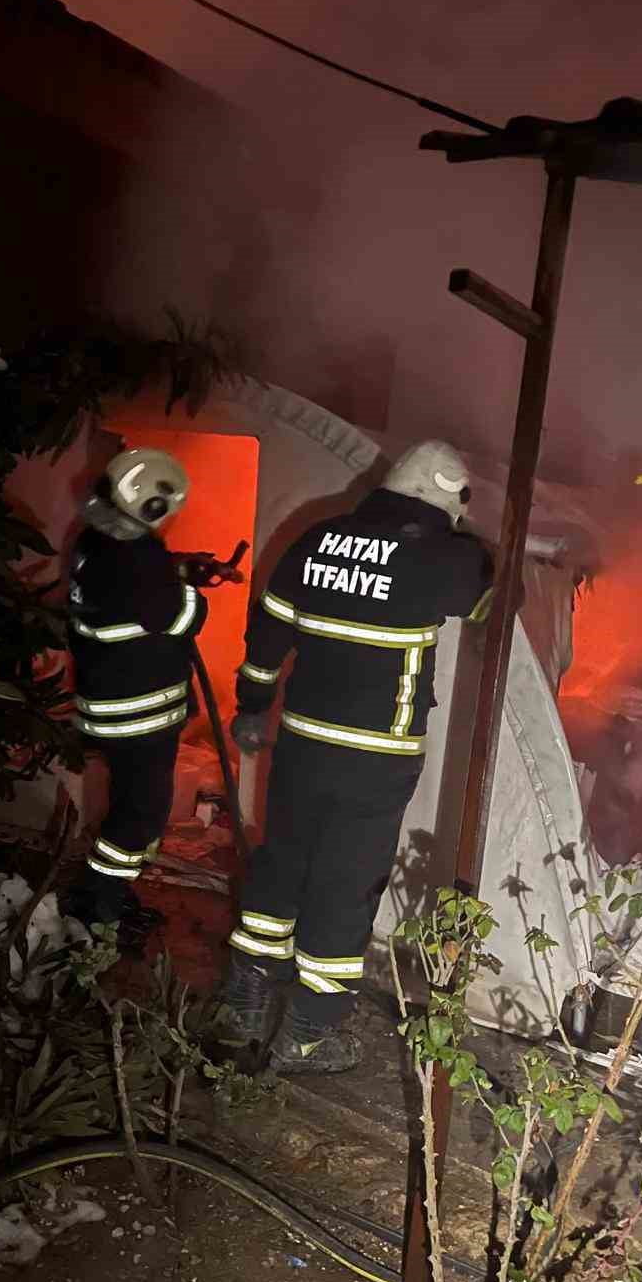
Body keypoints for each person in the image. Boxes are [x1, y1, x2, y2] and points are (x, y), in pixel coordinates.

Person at [222, 441, 493, 1072]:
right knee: (345, 882)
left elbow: (268, 634)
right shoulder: (442, 556)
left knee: (282, 859)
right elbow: (485, 591)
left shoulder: (317, 538)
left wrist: (252, 705)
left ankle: (245, 1001)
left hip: (303, 742)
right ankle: (309, 1033)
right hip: (376, 755)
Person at [63, 445, 206, 939]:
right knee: (140, 816)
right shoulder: (140, 554)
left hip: (104, 702)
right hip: (138, 713)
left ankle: (106, 893)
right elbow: (180, 619)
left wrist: (174, 571)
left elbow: (130, 597)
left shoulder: (92, 540)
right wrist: (192, 590)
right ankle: (99, 906)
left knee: (128, 803)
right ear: (152, 505)